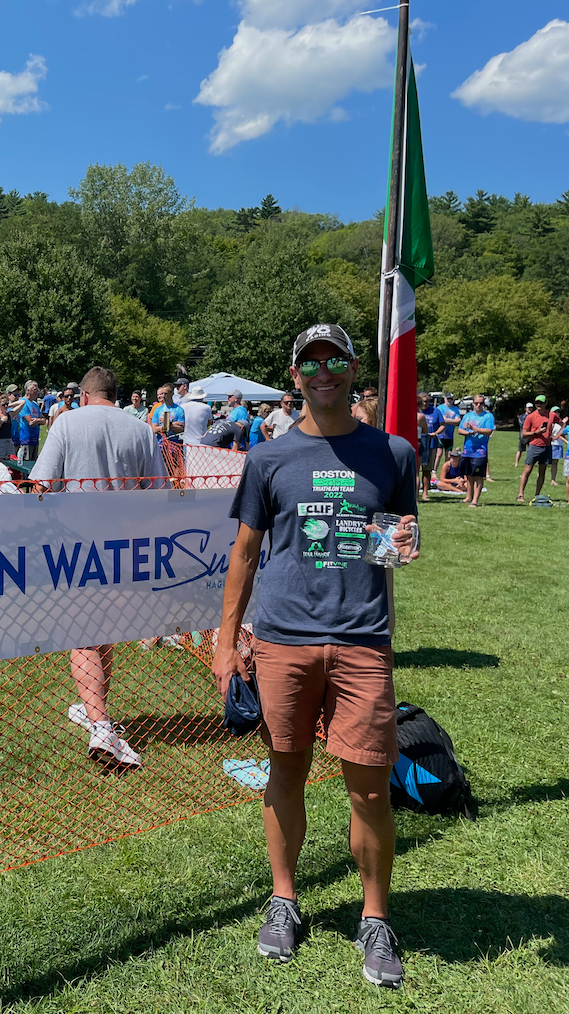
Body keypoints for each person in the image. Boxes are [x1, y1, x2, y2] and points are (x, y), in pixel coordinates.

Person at [211, 322, 417, 988]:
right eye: (310, 362)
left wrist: (392, 546)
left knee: (369, 787)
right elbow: (245, 553)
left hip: (362, 641)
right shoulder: (269, 457)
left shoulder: (392, 453)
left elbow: (394, 546)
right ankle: (283, 899)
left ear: (354, 368)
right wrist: (225, 639)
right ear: (294, 373)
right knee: (285, 772)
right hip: (283, 640)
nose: (322, 371)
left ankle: (376, 918)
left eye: (334, 360)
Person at [31, 366, 166, 772]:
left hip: (75, 543)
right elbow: (157, 494)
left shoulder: (67, 422)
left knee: (85, 635)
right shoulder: (141, 429)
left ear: (86, 395)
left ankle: (101, 727)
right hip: (125, 546)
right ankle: (94, 709)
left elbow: (41, 485)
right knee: (104, 631)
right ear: (114, 394)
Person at [517, 395, 560, 503]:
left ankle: (537, 495)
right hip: (534, 446)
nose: (538, 405)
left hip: (546, 447)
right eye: (536, 403)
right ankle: (520, 494)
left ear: (546, 403)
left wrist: (556, 436)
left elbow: (562, 424)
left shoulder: (551, 415)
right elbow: (524, 434)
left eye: (540, 403)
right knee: (527, 470)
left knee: (542, 471)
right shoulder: (531, 417)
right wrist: (535, 433)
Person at [458, 395, 495, 507]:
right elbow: (460, 429)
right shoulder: (468, 416)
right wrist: (469, 433)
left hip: (480, 451)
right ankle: (469, 497)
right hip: (467, 450)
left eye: (481, 403)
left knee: (478, 476)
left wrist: (475, 429)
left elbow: (489, 431)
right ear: (472, 404)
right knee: (468, 475)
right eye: (476, 403)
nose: (478, 405)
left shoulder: (488, 416)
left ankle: (475, 500)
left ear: (484, 404)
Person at [17, 382, 47, 462]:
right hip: (26, 439)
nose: (37, 392)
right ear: (28, 390)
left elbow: (44, 421)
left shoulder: (35, 404)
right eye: (35, 390)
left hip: (35, 439)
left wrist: (38, 420)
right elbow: (31, 423)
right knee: (26, 464)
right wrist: (39, 421)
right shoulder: (23, 403)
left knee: (33, 464)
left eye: (37, 390)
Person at [514, 401, 533, 468]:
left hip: (531, 435)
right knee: (520, 450)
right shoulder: (522, 416)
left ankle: (529, 462)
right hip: (523, 436)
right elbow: (522, 424)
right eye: (529, 408)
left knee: (531, 450)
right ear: (526, 408)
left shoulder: (533, 416)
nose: (530, 409)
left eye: (531, 408)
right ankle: (516, 463)